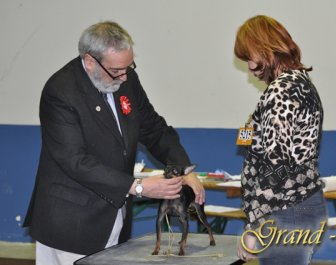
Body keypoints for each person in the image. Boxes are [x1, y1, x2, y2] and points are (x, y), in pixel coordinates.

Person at [23, 21, 205, 265]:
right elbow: (75, 161)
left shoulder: (125, 79)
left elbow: (154, 128)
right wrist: (139, 186)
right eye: (117, 70)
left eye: (128, 67)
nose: (124, 76)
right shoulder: (61, 91)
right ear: (90, 61)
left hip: (113, 213)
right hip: (71, 222)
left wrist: (184, 170)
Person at [234, 15, 327, 265]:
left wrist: (254, 227)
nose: (250, 68)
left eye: (249, 59)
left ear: (263, 50)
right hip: (299, 205)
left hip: (287, 209)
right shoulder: (300, 82)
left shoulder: (281, 91)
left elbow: (276, 165)